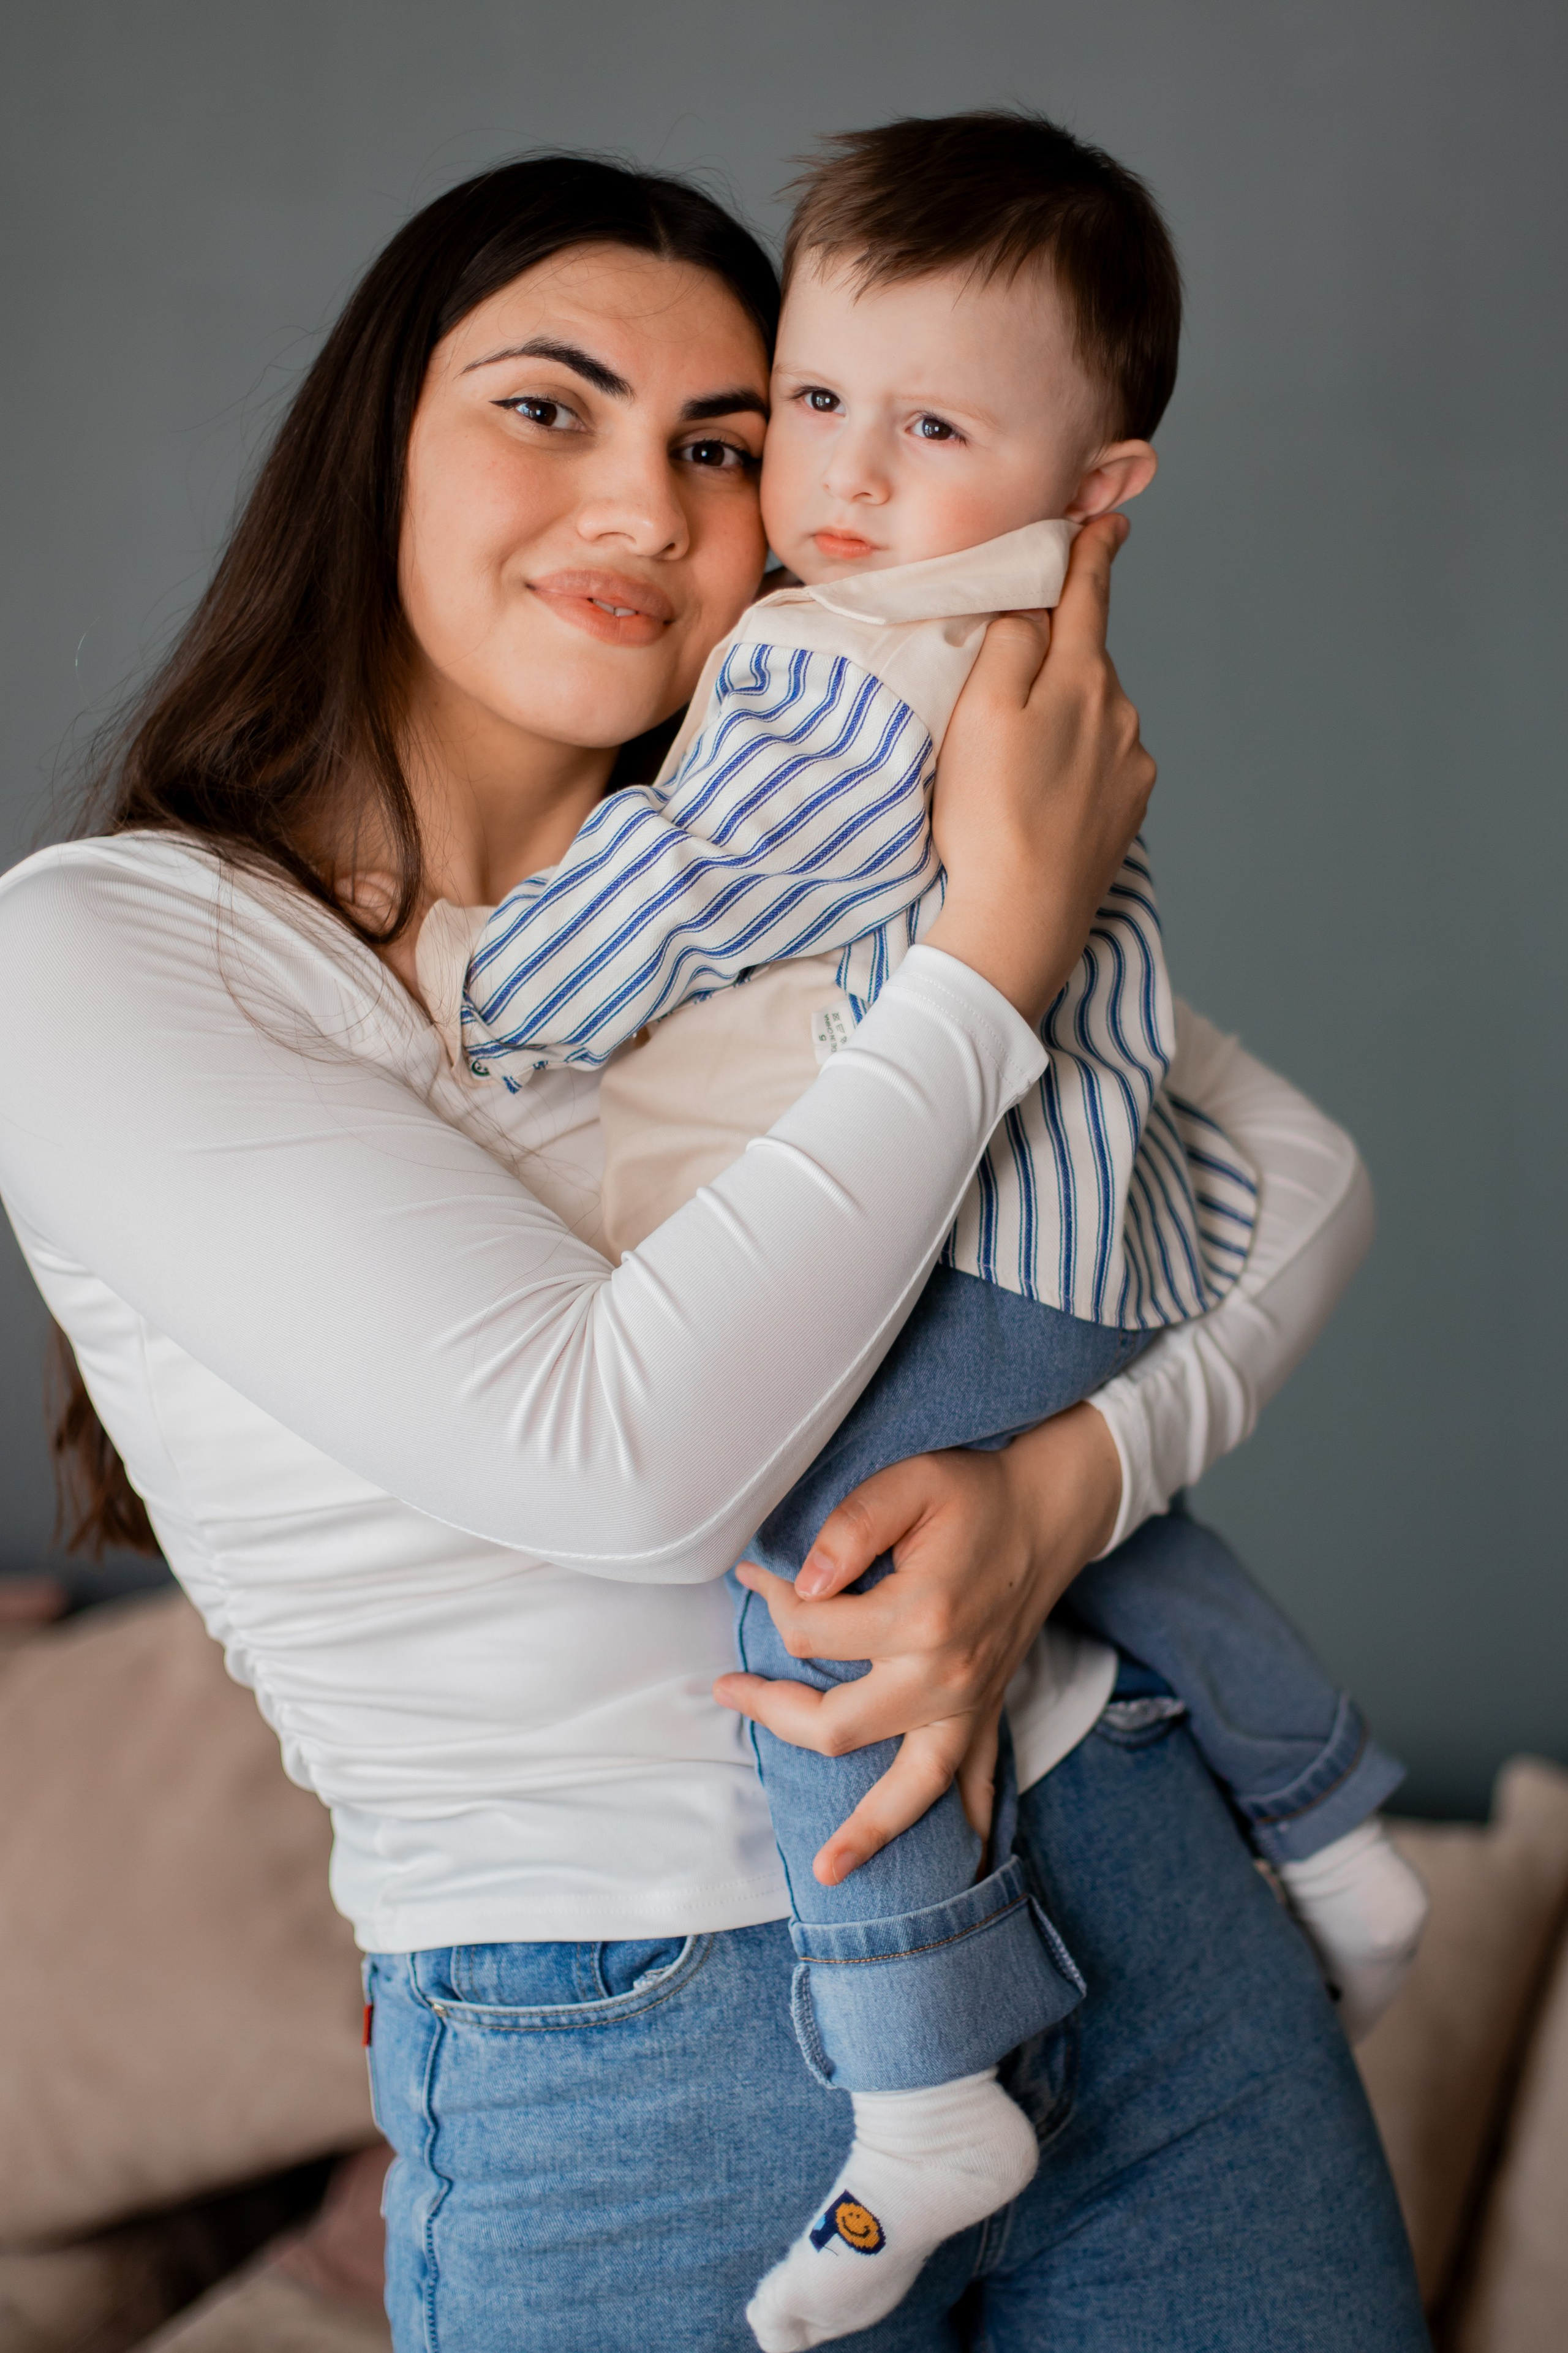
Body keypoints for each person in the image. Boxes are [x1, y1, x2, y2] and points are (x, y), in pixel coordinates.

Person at [0, 157, 1430, 2351]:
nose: (654, 510)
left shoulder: (794, 866)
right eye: (550, 408)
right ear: (376, 439)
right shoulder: (112, 951)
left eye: (726, 446)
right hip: (631, 2052)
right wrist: (995, 957)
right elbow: (621, 1456)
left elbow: (1305, 1177)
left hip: (1136, 1902)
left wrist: (1055, 1502)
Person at [420, 117, 1427, 2350]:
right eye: (814, 408)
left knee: (823, 1561)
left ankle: (921, 2054)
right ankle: (1336, 1810)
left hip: (983, 1253)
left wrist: (484, 987)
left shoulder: (831, 668)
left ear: (1106, 487)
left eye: (934, 425)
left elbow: (685, 895)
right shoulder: (1005, 660)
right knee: (1068, 1519)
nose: (839, 477)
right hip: (1091, 1239)